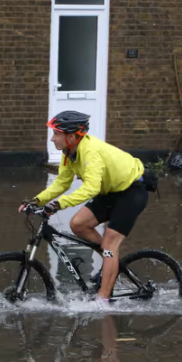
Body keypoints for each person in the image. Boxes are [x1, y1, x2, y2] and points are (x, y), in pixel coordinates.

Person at [19, 111, 148, 302]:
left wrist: (58, 204)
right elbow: (62, 183)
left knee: (109, 245)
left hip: (132, 191)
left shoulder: (91, 152)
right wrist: (35, 201)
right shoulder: (69, 153)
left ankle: (102, 300)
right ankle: (109, 262)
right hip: (110, 192)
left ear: (71, 136)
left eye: (57, 134)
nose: (53, 139)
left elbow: (91, 188)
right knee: (78, 224)